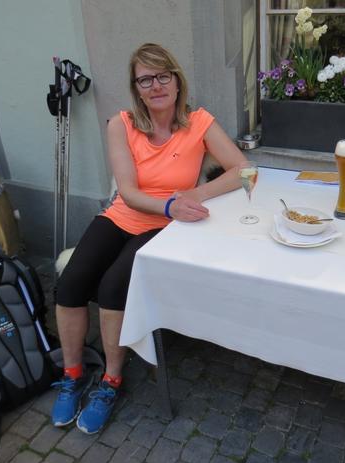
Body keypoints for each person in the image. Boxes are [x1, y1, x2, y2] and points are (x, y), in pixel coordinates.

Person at [51, 43, 247, 434]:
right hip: (125, 216)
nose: (156, 85)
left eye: (163, 76)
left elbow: (243, 170)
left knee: (113, 287)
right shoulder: (121, 124)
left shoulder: (199, 122)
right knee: (70, 283)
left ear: (177, 81)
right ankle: (72, 375)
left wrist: (195, 194)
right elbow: (128, 192)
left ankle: (111, 381)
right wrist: (170, 204)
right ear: (136, 88)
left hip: (164, 227)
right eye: (145, 80)